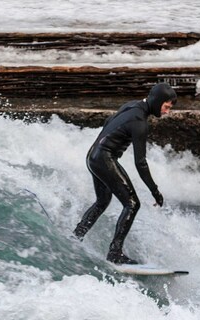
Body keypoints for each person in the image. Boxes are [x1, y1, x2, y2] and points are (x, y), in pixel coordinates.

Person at [73, 82, 177, 264]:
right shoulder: (140, 123)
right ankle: (115, 252)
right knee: (132, 204)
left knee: (102, 201)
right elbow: (140, 163)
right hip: (104, 158)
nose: (167, 111)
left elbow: (108, 122)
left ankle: (77, 235)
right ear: (158, 101)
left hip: (93, 155)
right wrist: (154, 190)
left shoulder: (131, 105)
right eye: (166, 107)